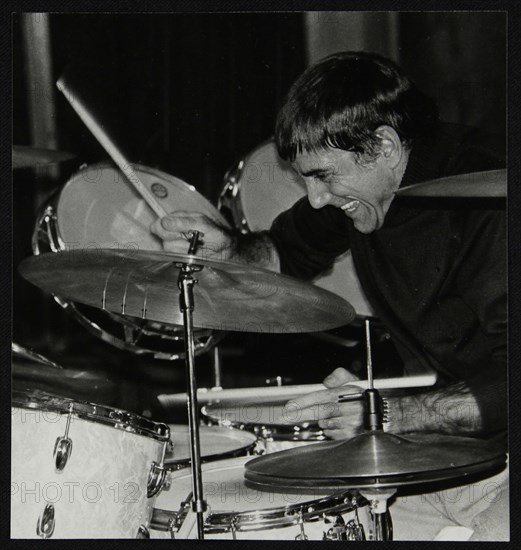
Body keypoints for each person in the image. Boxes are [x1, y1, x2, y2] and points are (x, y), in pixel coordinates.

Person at [150, 52, 507, 539]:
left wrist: (389, 413)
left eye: (322, 176)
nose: (316, 199)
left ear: (382, 145)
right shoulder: (365, 185)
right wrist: (230, 248)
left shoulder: (492, 197)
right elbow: (284, 252)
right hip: (454, 449)